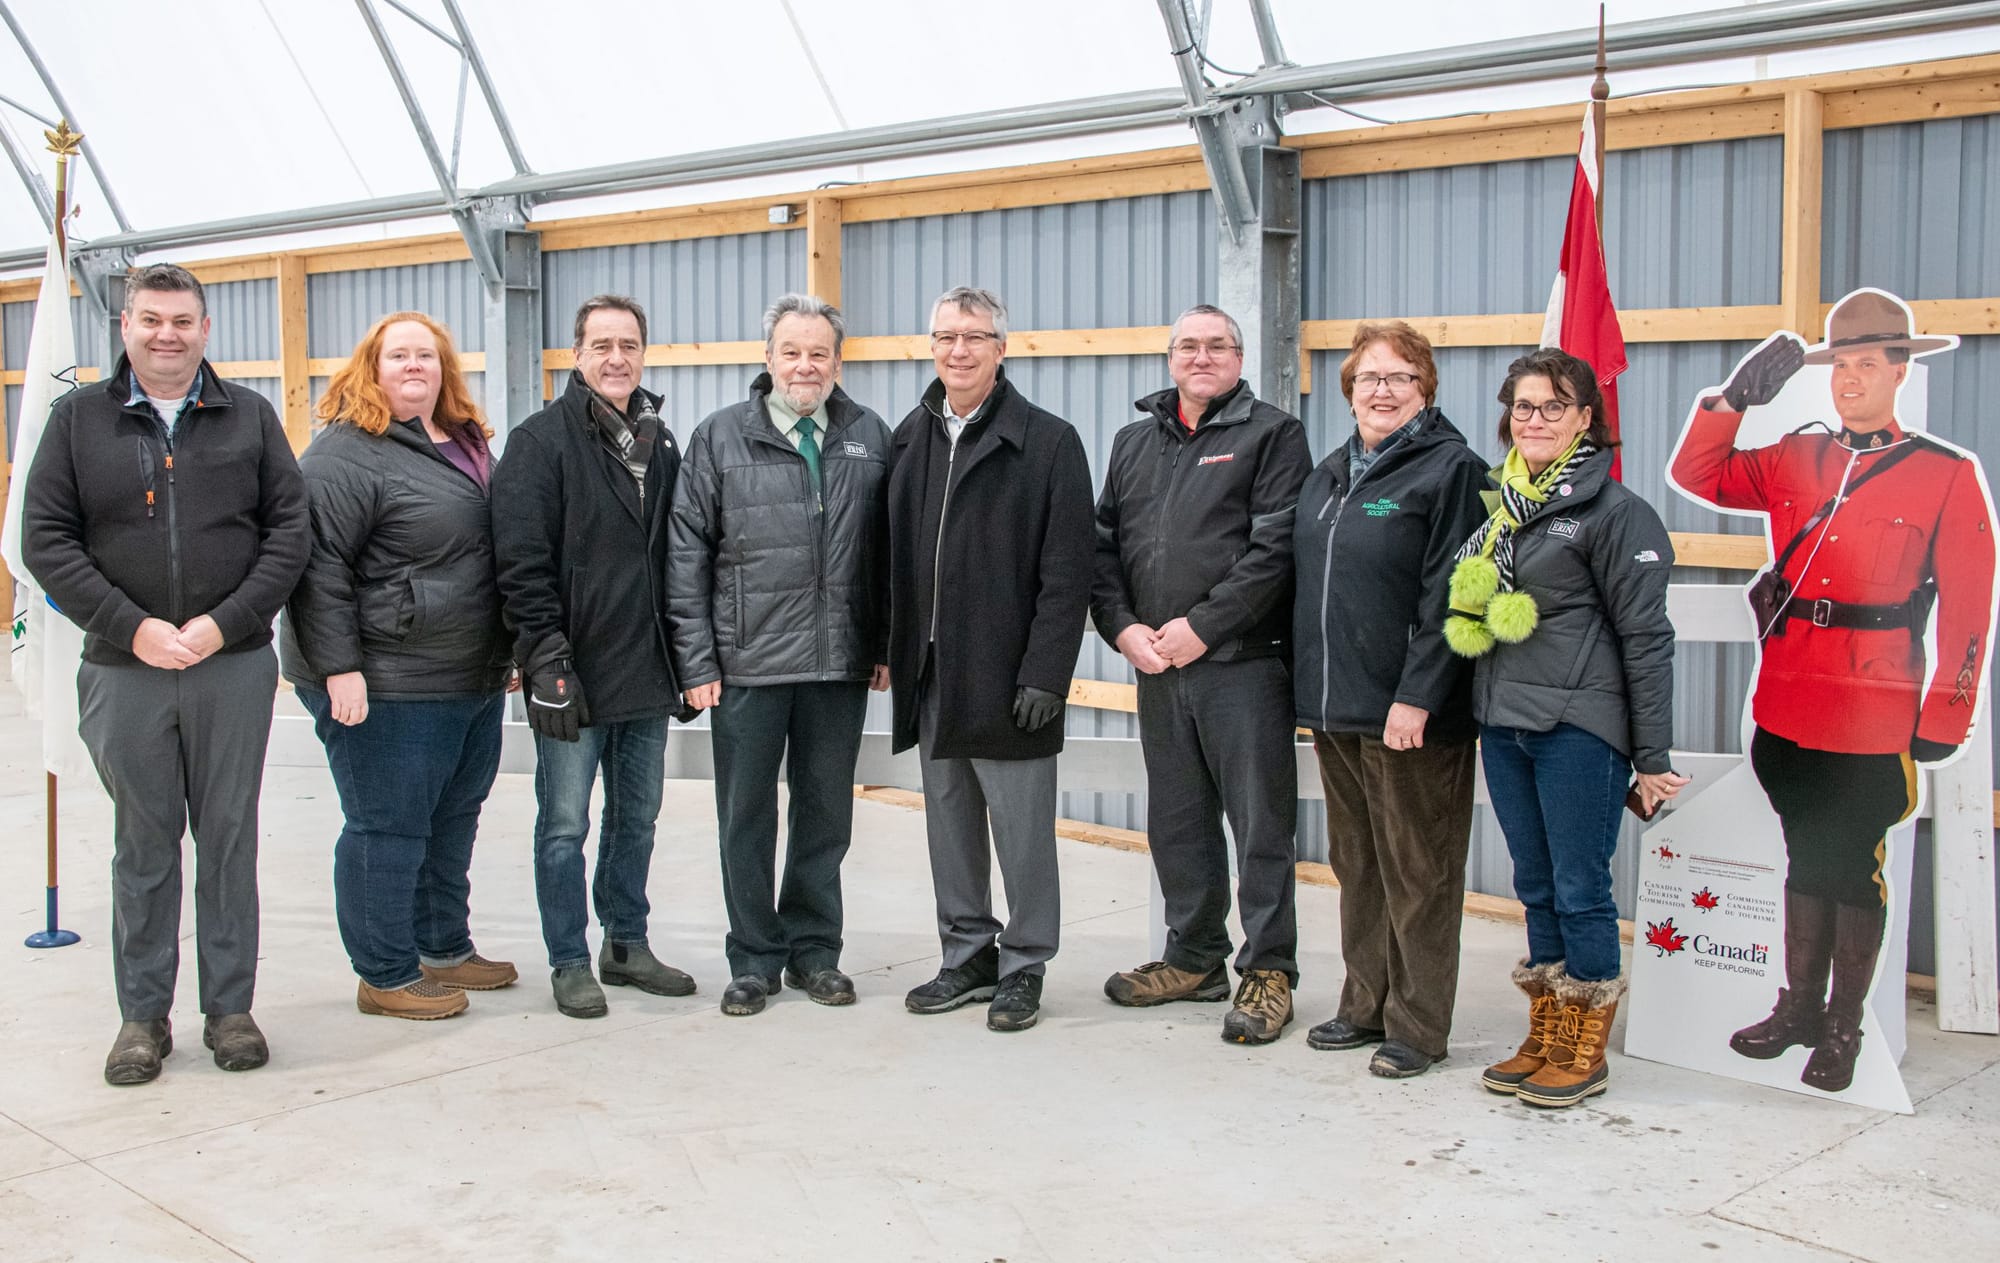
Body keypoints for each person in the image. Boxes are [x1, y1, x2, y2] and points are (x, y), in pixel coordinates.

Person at [1671, 290, 1995, 1093]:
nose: (1850, 379)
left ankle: (1843, 1025)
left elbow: (1969, 606)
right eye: (1840, 364)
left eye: (1867, 364)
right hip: (1787, 701)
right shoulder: (1797, 455)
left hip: (1872, 710)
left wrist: (1947, 710)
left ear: (1900, 370)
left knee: (1850, 866)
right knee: (1803, 855)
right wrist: (1733, 401)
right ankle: (1798, 1009)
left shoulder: (1945, 475)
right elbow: (1695, 473)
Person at [23, 263, 309, 1084]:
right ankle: (143, 1017)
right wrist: (134, 628)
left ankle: (231, 1009)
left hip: (233, 666)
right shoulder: (78, 421)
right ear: (126, 326)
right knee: (142, 847)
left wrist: (225, 623)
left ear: (205, 329)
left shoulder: (250, 416)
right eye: (151, 319)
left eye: (183, 321)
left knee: (228, 839)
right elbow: (45, 539)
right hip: (126, 670)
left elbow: (289, 532)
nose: (167, 335)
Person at [1445, 347, 1688, 1109]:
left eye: (1554, 406)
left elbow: (1647, 638)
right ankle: (1548, 1027)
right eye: (1524, 405)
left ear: (1586, 417)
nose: (1536, 419)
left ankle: (1586, 1043)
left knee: (1581, 887)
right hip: (1505, 721)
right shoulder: (1503, 509)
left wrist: (1650, 753)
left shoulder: (1616, 513)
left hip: (1579, 725)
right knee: (1536, 882)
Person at [281, 311, 516, 1021]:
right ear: (371, 369)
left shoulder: (466, 441)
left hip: (468, 672)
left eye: (427, 355)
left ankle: (442, 946)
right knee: (387, 827)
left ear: (445, 368)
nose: (414, 365)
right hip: (386, 680)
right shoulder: (345, 454)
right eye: (398, 355)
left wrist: (506, 649)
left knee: (452, 818)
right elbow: (316, 568)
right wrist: (338, 667)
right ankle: (384, 971)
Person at [1091, 304, 1311, 1045]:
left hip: (1241, 665)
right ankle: (1194, 958)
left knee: (1260, 826)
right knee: (1178, 823)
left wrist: (1204, 628)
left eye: (1218, 345)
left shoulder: (1272, 434)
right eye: (1189, 345)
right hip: (1157, 665)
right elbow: (1102, 548)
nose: (1202, 356)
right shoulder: (1133, 442)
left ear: (1238, 358)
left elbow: (1274, 551)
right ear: (1170, 357)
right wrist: (1122, 627)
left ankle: (1270, 967)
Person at [668, 293, 892, 1017]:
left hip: (837, 663)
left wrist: (882, 643)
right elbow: (685, 553)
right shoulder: (719, 438)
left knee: (826, 816)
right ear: (767, 360)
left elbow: (890, 554)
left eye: (819, 353)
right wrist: (697, 661)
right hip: (748, 663)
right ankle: (754, 959)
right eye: (791, 352)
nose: (805, 365)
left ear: (837, 362)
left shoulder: (870, 436)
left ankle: (815, 953)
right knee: (746, 817)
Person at [887, 286, 1093, 1033]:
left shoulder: (1048, 442)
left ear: (1002, 349)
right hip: (932, 672)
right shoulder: (912, 437)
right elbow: (891, 556)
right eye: (946, 336)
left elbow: (1069, 571)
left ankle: (1025, 960)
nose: (959, 350)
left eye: (975, 337)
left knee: (1021, 829)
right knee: (949, 823)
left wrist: (1046, 672)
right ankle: (967, 952)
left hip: (1009, 674)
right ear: (932, 347)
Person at [1292, 322, 1490, 1077]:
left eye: (1400, 377)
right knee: (1359, 864)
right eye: (1369, 377)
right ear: (1349, 390)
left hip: (1410, 715)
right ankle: (1364, 1003)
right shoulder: (1330, 474)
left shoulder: (1453, 471)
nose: (1383, 390)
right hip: (1338, 707)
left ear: (1425, 390)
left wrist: (1419, 696)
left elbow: (1456, 594)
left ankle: (1417, 1025)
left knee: (1418, 871)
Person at [492, 294, 695, 1019]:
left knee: (636, 818)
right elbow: (520, 564)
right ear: (576, 355)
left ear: (643, 354)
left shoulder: (659, 442)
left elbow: (676, 559)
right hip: (571, 674)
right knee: (564, 825)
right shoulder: (538, 443)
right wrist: (546, 661)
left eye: (628, 345)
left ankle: (626, 943)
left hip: (645, 670)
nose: (616, 358)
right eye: (601, 345)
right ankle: (570, 959)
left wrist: (685, 658)